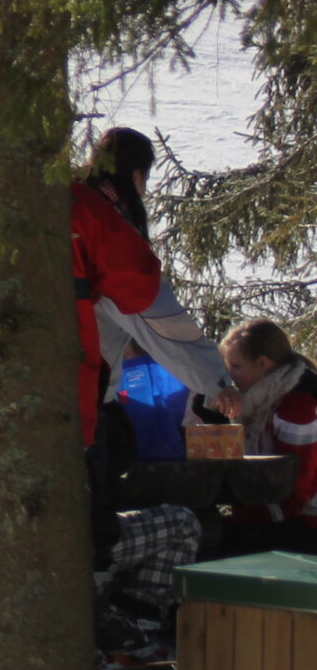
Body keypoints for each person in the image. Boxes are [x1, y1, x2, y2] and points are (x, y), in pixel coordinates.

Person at [71, 127, 229, 445]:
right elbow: (159, 317)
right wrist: (218, 382)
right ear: (137, 176)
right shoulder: (107, 228)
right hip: (76, 396)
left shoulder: (56, 204)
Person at [213, 318, 317, 555]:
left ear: (262, 362)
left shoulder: (297, 406)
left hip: (306, 522)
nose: (230, 374)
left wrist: (239, 520)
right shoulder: (259, 402)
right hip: (276, 513)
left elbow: (298, 489)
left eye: (236, 366)